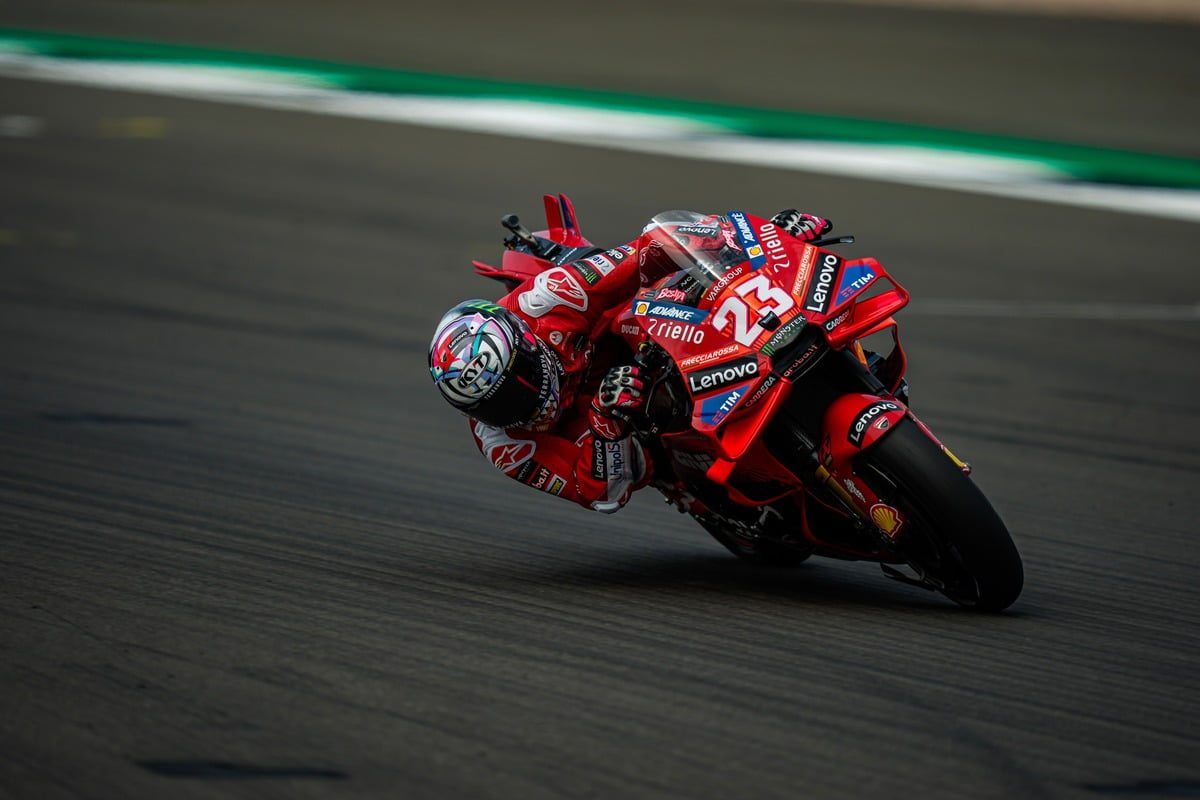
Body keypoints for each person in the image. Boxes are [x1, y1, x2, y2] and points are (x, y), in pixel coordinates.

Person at [427, 209, 832, 513]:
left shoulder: (549, 297)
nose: (523, 401)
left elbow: (643, 255)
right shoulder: (503, 446)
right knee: (653, 463)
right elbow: (604, 494)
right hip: (623, 429)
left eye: (523, 378)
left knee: (681, 284)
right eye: (498, 407)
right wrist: (607, 421)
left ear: (527, 343)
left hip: (648, 341)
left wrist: (766, 239)